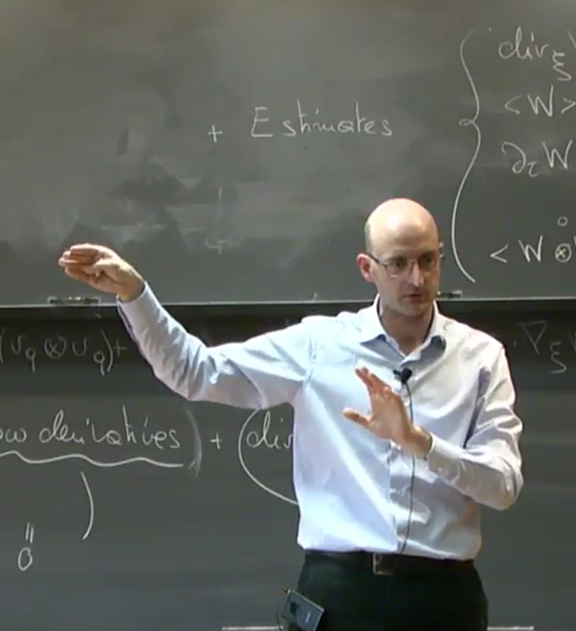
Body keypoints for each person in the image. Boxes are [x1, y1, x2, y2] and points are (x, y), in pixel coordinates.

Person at [58, 198, 523, 631]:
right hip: (341, 590)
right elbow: (195, 372)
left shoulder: (480, 358)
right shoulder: (321, 346)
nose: (416, 279)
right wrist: (135, 294)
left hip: (443, 597)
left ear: (441, 257)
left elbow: (502, 486)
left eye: (427, 260)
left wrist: (418, 442)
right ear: (368, 268)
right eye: (398, 264)